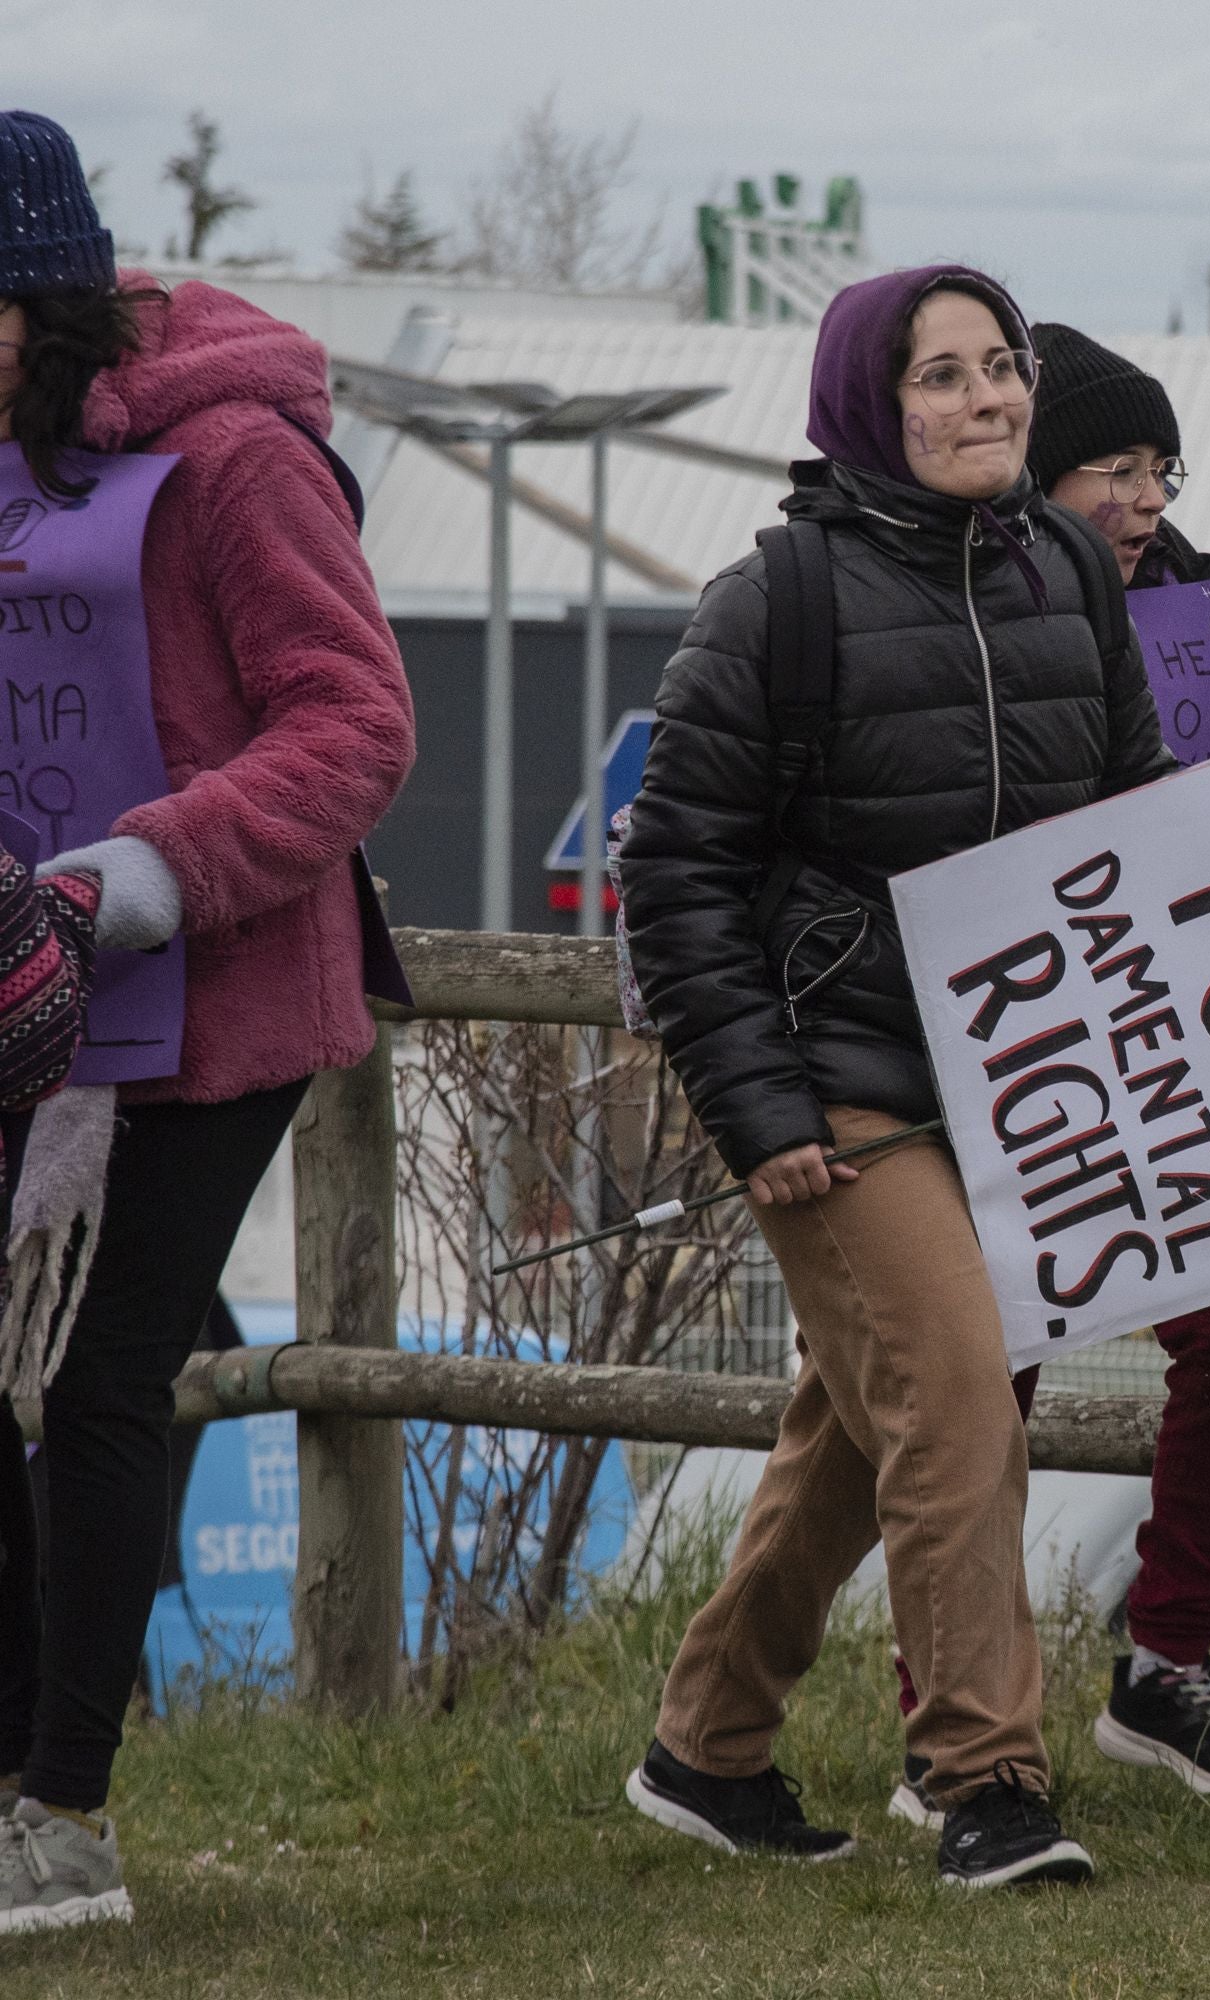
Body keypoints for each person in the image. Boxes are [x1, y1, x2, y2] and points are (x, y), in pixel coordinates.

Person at [618, 265, 1171, 1890]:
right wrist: (759, 1111)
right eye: (942, 377)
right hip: (841, 1076)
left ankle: (706, 1748)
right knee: (955, 1393)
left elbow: (1132, 803)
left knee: (864, 1432)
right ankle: (988, 1785)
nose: (987, 400)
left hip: (1021, 1079)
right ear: (873, 399)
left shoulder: (1069, 561)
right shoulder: (775, 598)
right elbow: (676, 876)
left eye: (1002, 369)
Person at [0, 110, 419, 1931]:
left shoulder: (240, 459)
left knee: (96, 1387)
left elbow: (358, 729)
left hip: (208, 996)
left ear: (40, 302)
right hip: (21, 993)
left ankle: (66, 1815)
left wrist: (131, 880)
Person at [862, 319, 1210, 1806]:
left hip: (1167, 1062)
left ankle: (1165, 1663)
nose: (1145, 497)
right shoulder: (934, 608)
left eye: (1159, 467)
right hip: (992, 1071)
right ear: (1035, 478)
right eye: (1111, 467)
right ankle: (952, 1723)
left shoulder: (1205, 626)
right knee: (985, 1390)